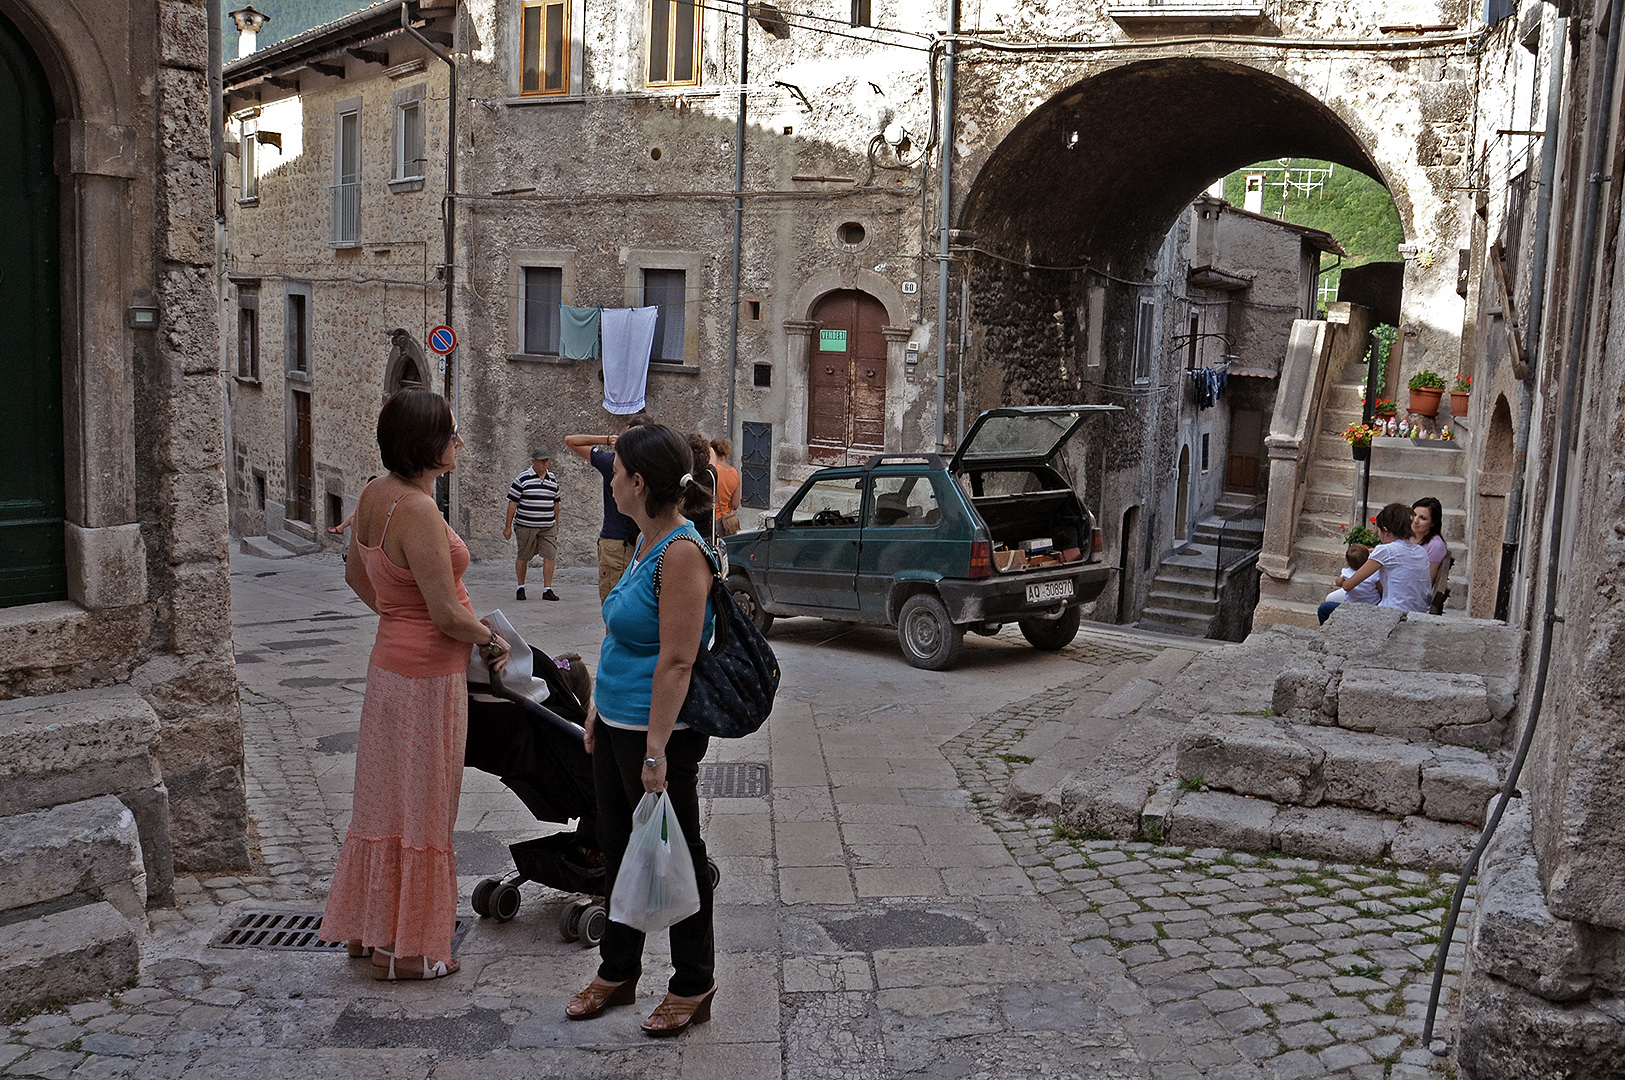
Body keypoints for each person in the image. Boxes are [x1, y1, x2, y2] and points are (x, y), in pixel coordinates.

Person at [319, 388, 510, 980]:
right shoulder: (420, 510)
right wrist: (491, 639)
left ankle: (370, 933)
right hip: (429, 678)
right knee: (425, 808)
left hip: (387, 670)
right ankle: (407, 954)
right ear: (426, 445)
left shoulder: (375, 494)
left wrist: (395, 617)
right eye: (451, 434)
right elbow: (447, 613)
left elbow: (357, 576)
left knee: (381, 803)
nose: (459, 442)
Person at [566, 423, 718, 1036]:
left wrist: (655, 748)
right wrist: (598, 707)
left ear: (638, 483)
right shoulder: (643, 542)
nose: (610, 476)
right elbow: (621, 638)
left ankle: (693, 981)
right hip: (620, 722)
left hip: (661, 734)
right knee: (620, 845)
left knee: (680, 854)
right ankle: (618, 969)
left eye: (617, 469)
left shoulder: (682, 552)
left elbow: (678, 659)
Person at [565, 415, 652, 604]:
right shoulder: (650, 467)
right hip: (644, 540)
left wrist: (606, 439)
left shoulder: (612, 462)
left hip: (616, 542)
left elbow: (571, 441)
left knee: (613, 605)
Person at [1318, 502, 1433, 624]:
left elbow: (1348, 585)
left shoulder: (1385, 551)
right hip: (1417, 613)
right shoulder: (1420, 551)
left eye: (1378, 531)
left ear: (1385, 530)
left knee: (1325, 609)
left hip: (1392, 615)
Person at [505, 449, 562, 601]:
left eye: (546, 461)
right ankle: (520, 587)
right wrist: (508, 526)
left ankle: (547, 589)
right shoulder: (523, 479)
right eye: (542, 461)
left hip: (548, 525)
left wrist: (556, 522)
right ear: (533, 462)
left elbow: (556, 502)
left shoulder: (552, 479)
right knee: (524, 556)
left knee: (550, 555)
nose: (545, 464)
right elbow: (513, 503)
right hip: (526, 525)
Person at [1411, 497, 1449, 588]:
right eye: (1413, 514)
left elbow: (1427, 582)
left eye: (1422, 518)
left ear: (1433, 523)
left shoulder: (1435, 545)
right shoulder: (1407, 536)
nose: (1415, 520)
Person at [709, 437, 742, 536]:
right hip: (726, 522)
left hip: (712, 520)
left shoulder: (713, 472)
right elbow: (735, 504)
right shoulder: (734, 473)